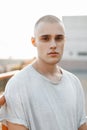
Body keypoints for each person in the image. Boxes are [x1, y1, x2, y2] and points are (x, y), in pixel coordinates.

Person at [0, 15, 87, 130]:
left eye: (59, 38)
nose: (53, 45)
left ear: (64, 40)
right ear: (33, 41)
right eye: (45, 38)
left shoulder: (74, 82)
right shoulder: (17, 85)